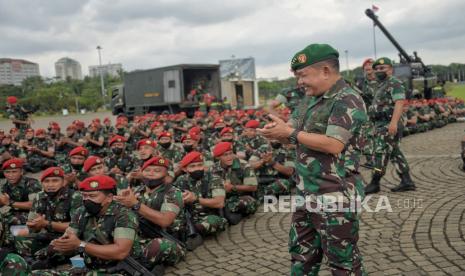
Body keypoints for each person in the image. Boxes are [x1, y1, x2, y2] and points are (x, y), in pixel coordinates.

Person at [258, 43, 366, 275]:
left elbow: (334, 144)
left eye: (302, 75)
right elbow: (291, 132)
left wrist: (290, 134)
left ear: (325, 70)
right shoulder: (310, 99)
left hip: (335, 194)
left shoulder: (347, 99)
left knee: (343, 263)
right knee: (302, 257)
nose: (299, 82)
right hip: (306, 191)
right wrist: (277, 132)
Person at [115, 157, 185, 269]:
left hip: (166, 238)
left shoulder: (173, 192)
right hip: (141, 237)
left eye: (157, 171)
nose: (151, 174)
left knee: (159, 245)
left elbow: (165, 221)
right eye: (147, 170)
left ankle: (140, 266)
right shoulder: (137, 191)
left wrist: (135, 204)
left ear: (166, 175)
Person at [364, 57, 415, 194]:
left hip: (388, 123)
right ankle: (407, 180)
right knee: (394, 152)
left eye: (383, 68)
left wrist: (393, 123)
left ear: (390, 70)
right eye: (377, 69)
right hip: (381, 123)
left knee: (380, 153)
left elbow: (399, 103)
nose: (379, 71)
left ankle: (375, 183)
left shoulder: (394, 83)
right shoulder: (382, 84)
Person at [174, 151, 227, 236]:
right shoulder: (181, 180)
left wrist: (196, 199)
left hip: (208, 216)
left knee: (211, 222)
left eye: (200, 165)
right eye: (192, 166)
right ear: (185, 169)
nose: (197, 169)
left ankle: (190, 233)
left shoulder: (214, 179)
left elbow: (219, 203)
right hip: (188, 215)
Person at [211, 142, 258, 225]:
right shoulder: (213, 169)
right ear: (218, 157)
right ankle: (226, 212)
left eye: (231, 153)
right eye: (225, 155)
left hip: (239, 197)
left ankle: (229, 212)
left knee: (250, 202)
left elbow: (253, 187)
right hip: (221, 198)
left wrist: (233, 187)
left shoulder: (243, 165)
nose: (229, 157)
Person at [0, 158, 42, 249]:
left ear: (21, 172)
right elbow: (3, 202)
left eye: (14, 171)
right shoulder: (6, 186)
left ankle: (14, 244)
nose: (11, 175)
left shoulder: (32, 183)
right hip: (16, 213)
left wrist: (10, 203)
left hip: (33, 215)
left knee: (10, 220)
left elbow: (33, 205)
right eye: (8, 172)